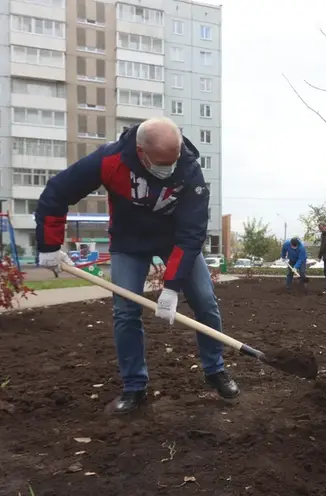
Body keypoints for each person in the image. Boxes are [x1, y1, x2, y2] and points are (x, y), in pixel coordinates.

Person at [34, 117, 239, 415]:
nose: (169, 169)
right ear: (141, 151)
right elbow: (57, 192)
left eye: (174, 160)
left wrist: (171, 287)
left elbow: (192, 233)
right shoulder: (111, 159)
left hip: (176, 241)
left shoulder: (189, 170)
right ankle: (134, 387)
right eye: (161, 162)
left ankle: (215, 369)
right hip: (129, 242)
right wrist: (49, 246)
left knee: (206, 302)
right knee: (125, 312)